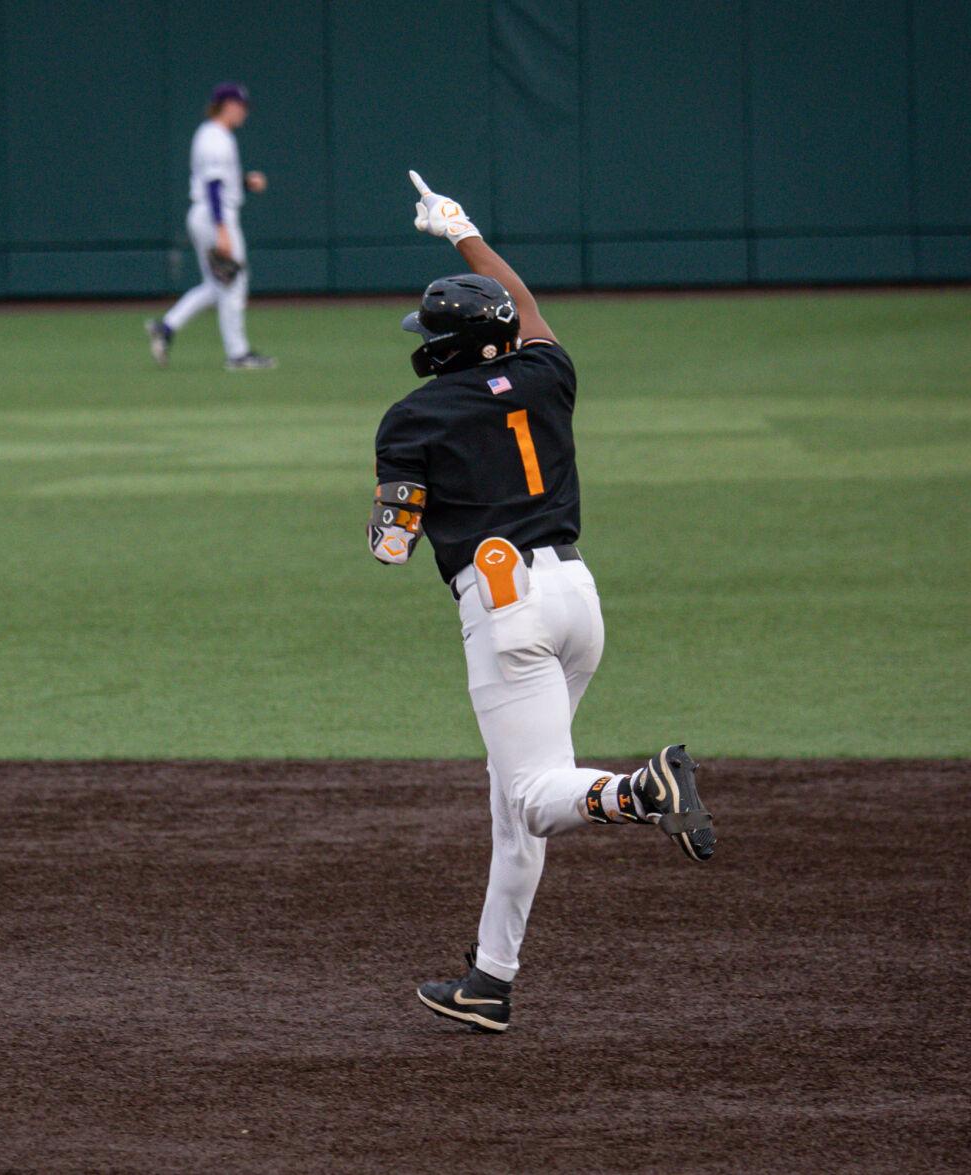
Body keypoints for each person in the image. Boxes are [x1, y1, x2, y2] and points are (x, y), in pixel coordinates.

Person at [370, 171, 717, 1034]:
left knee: (530, 797)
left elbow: (391, 545)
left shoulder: (410, 419)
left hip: (506, 612)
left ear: (442, 346)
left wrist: (404, 504)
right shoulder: (548, 372)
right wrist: (464, 231)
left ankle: (642, 790)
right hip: (576, 600)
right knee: (516, 800)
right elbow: (523, 310)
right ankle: (490, 980)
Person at [147, 82, 275, 371]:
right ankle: (238, 354)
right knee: (234, 282)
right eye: (241, 106)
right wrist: (222, 229)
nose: (244, 112)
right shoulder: (216, 139)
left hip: (206, 212)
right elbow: (214, 186)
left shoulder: (209, 134)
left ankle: (166, 328)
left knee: (216, 285)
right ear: (227, 105)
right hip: (215, 215)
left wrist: (243, 183)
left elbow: (219, 182)